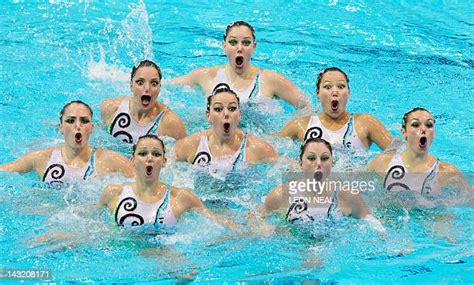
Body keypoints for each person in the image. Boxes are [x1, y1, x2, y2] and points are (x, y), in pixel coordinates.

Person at [99, 135, 236, 231]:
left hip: (165, 257)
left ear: (164, 162)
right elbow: (89, 220)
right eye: (143, 153)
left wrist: (248, 230)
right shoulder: (113, 194)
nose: (150, 158)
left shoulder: (180, 198)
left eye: (156, 154)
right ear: (132, 160)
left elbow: (217, 221)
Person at [170, 21, 309, 108]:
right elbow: (166, 86)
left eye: (246, 43)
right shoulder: (206, 75)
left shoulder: (269, 79)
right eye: (233, 42)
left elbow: (306, 106)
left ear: (254, 47)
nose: (240, 48)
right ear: (224, 46)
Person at [0, 101, 134, 184]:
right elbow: (5, 171)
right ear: (61, 127)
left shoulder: (111, 161)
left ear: (92, 128)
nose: (78, 126)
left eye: (84, 121)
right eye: (70, 121)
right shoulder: (41, 159)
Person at [174, 83, 278, 179]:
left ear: (239, 115)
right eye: (218, 109)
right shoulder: (191, 145)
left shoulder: (256, 148)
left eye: (232, 109)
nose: (226, 113)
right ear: (208, 116)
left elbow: (287, 168)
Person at [260, 138, 375, 224]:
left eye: (324, 158)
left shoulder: (347, 195)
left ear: (332, 163)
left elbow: (372, 223)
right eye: (311, 158)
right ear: (301, 164)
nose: (319, 163)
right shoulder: (281, 195)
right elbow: (256, 218)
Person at [279, 67, 392, 153]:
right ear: (318, 93)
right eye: (327, 87)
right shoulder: (300, 125)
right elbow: (271, 149)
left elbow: (397, 153)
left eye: (341, 86)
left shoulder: (366, 123)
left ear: (348, 92)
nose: (335, 91)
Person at [368, 107, 470, 194]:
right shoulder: (382, 163)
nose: (423, 129)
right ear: (404, 133)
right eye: (415, 125)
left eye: (429, 125)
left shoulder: (448, 173)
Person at [101, 60, 186, 144]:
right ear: (131, 85)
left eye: (154, 83)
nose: (147, 88)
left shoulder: (170, 123)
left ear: (160, 87)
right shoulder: (111, 108)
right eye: (140, 82)